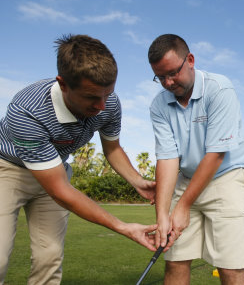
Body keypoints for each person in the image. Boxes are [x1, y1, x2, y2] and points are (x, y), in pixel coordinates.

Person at [0, 34, 164, 285]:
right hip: (8, 169)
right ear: (63, 84)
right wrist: (122, 227)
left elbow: (112, 149)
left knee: (49, 257)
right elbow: (60, 191)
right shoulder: (26, 112)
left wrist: (137, 181)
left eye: (107, 94)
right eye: (91, 97)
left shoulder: (109, 103)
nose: (101, 106)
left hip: (55, 169)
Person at [148, 34, 244, 285]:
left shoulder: (220, 89)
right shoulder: (158, 105)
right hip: (185, 180)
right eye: (160, 77)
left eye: (173, 73)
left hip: (225, 178)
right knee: (175, 262)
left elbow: (216, 154)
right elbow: (167, 158)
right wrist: (162, 214)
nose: (168, 82)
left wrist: (182, 206)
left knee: (230, 267)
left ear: (191, 60)